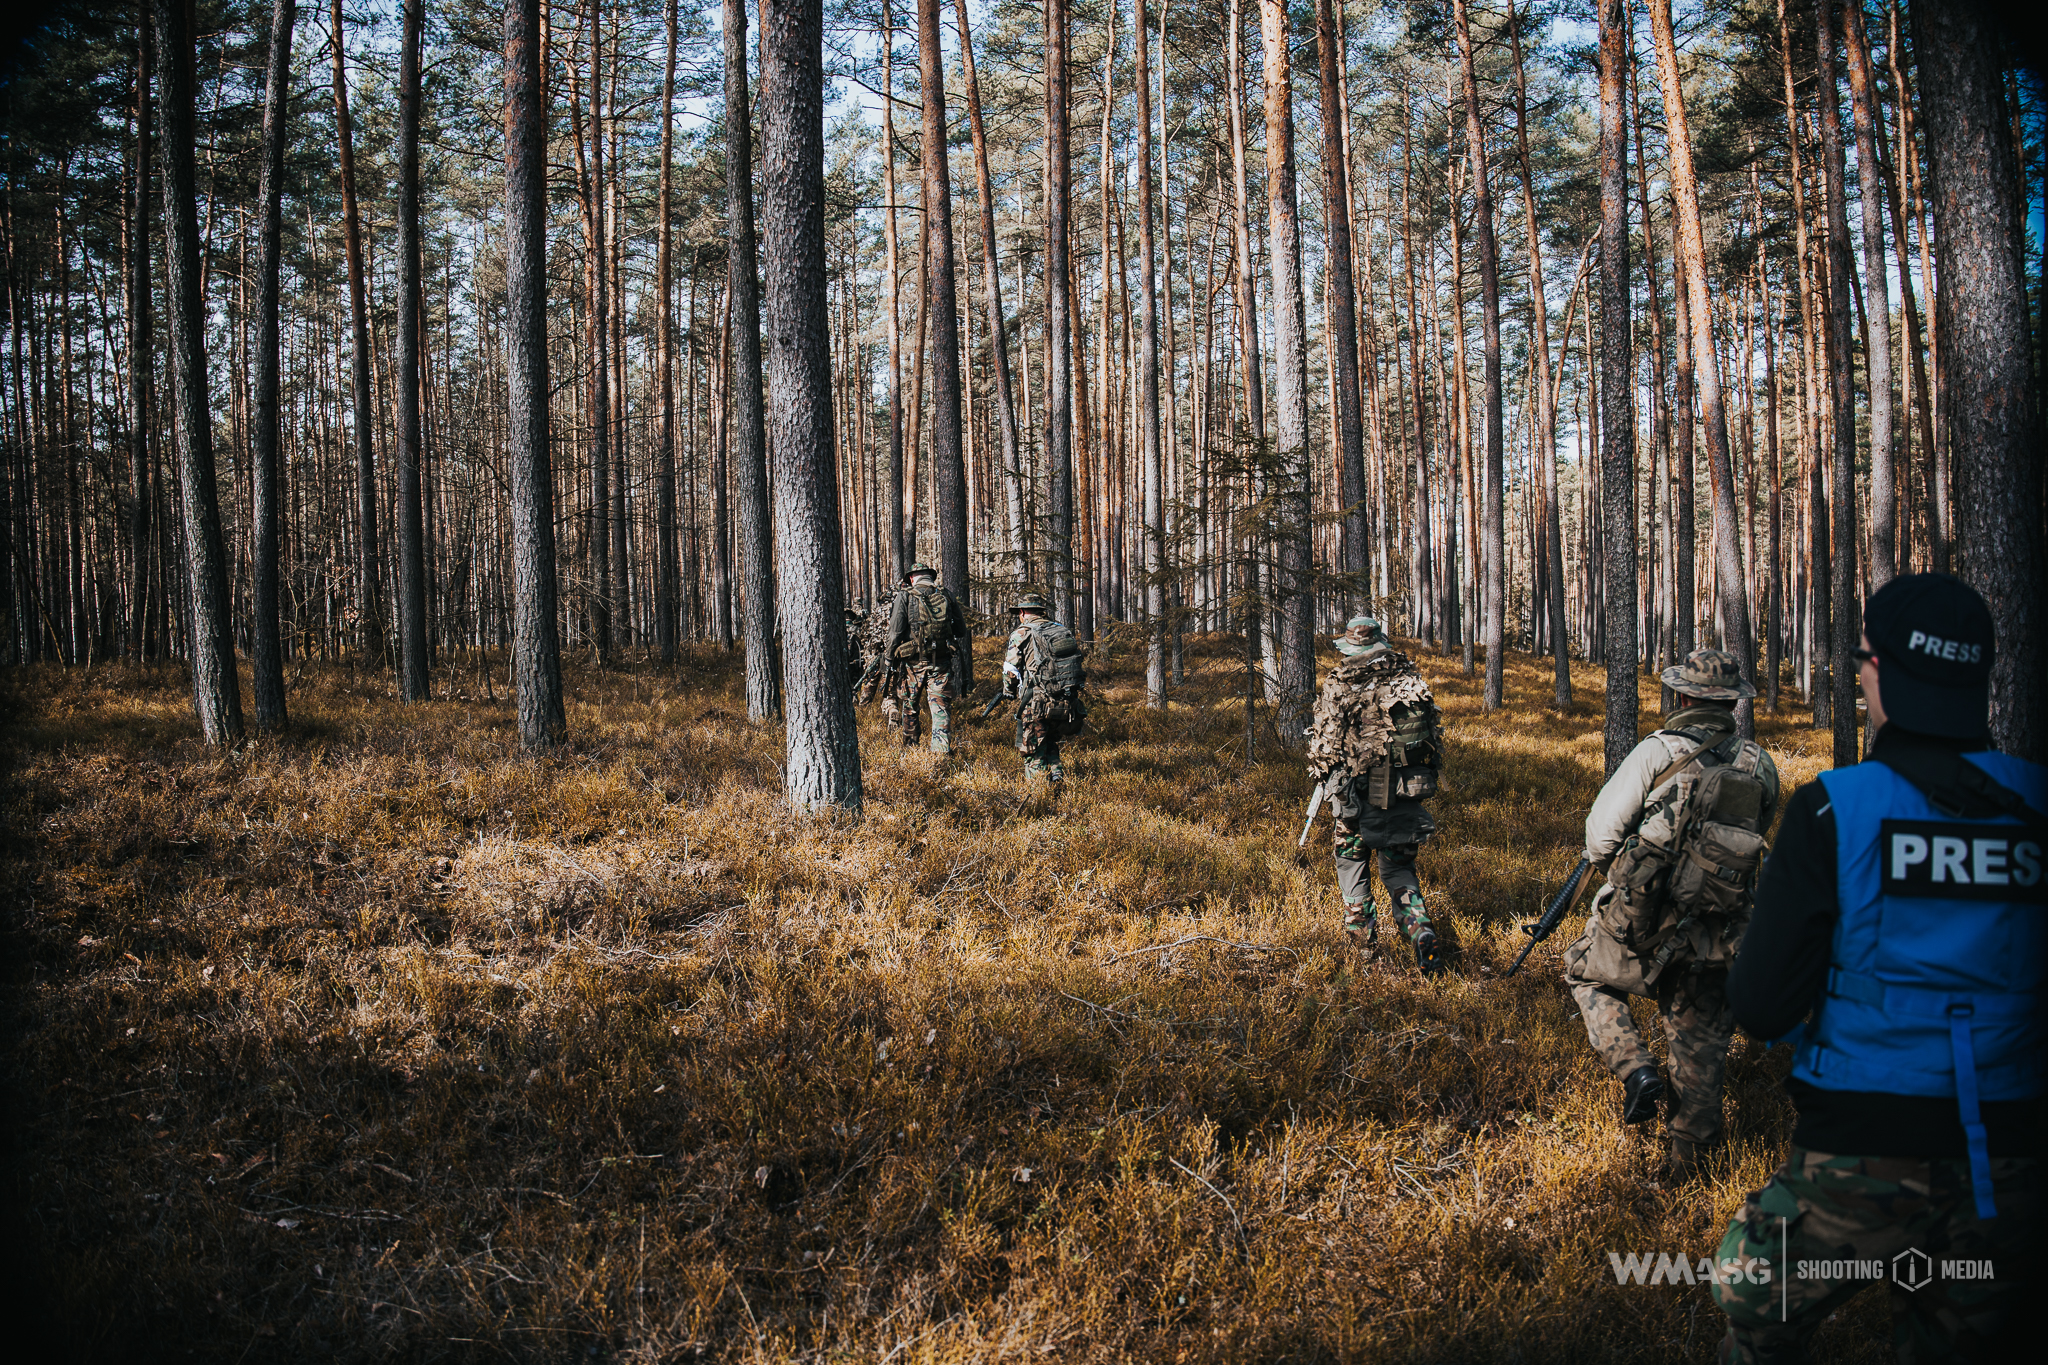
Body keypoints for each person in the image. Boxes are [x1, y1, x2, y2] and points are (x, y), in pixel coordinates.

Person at [1711, 574, 2043, 1364]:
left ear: (1878, 671)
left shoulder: (1834, 809)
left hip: (1858, 1153)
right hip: (2018, 1159)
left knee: (1748, 1295)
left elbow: (1758, 1005)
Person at [1562, 646, 1780, 1181]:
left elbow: (1600, 835)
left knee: (1585, 972)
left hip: (1645, 915)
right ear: (1732, 703)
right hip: (1720, 926)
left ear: (1681, 695)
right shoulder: (1758, 763)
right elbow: (1761, 832)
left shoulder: (1658, 751)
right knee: (1701, 1048)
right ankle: (1689, 1175)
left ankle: (1636, 1068)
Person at [1304, 616, 1447, 977]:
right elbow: (1432, 738)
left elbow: (1325, 748)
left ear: (1352, 646)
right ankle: (1420, 930)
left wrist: (1326, 774)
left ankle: (1365, 952)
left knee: (1352, 866)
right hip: (1404, 796)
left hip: (1356, 800)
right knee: (1399, 870)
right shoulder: (1410, 678)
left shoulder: (1341, 682)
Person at [999, 593, 1085, 792]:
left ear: (1022, 612)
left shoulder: (1021, 633)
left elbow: (1011, 671)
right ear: (1041, 612)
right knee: (1051, 742)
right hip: (1064, 702)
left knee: (1033, 752)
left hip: (1036, 702)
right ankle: (1058, 783)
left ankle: (1039, 797)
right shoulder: (1061, 630)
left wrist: (1009, 692)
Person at [884, 562, 968, 753]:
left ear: (912, 578)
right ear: (930, 576)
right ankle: (941, 753)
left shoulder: (905, 595)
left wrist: (889, 659)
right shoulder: (945, 594)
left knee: (910, 706)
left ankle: (911, 750)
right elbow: (961, 630)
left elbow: (895, 631)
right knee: (940, 708)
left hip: (913, 664)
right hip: (941, 663)